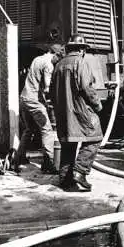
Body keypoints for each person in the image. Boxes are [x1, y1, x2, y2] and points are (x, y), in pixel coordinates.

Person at [51, 34, 103, 192]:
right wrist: (97, 105)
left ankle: (65, 179)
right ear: (81, 49)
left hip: (63, 112)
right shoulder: (81, 63)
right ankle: (80, 172)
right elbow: (87, 88)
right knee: (95, 137)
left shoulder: (58, 65)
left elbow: (51, 92)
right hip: (79, 111)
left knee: (68, 143)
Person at [12, 44, 64, 174]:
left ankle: (19, 158)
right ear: (55, 54)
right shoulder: (48, 64)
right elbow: (47, 87)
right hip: (34, 101)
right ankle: (48, 163)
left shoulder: (37, 59)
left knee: (29, 130)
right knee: (47, 130)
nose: (58, 62)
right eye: (59, 58)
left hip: (24, 98)